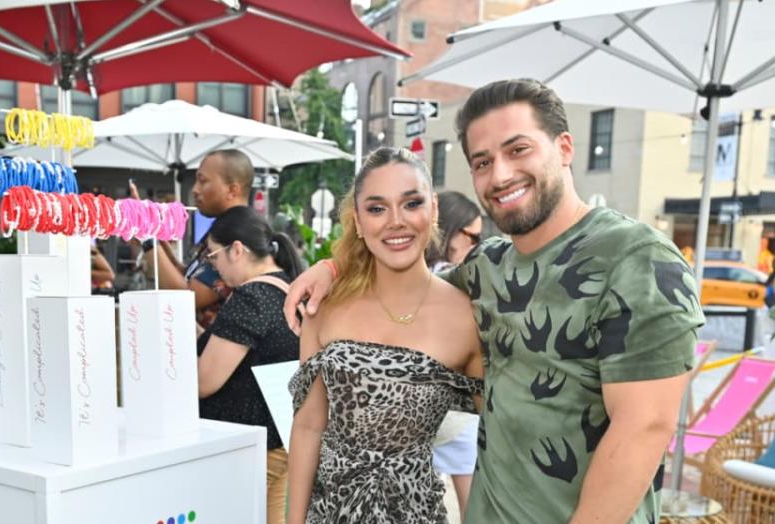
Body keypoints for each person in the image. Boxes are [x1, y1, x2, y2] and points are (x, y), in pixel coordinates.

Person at [285, 79, 702, 523]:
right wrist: (331, 268)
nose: (500, 175)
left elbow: (645, 428)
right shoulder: (488, 268)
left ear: (564, 147)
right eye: (483, 162)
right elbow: (403, 280)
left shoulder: (638, 260)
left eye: (518, 149)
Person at [287, 147, 484, 524]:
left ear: (434, 209)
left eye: (411, 203)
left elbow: (495, 442)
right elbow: (308, 426)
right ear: (358, 222)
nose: (396, 221)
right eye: (377, 209)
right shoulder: (324, 304)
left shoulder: (467, 317)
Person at [196, 206, 303, 524]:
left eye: (214, 257)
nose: (215, 269)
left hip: (251, 444)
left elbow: (206, 381)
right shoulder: (288, 285)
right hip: (280, 437)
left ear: (237, 250)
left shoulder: (252, 296)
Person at [142, 150, 254, 329]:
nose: (195, 189)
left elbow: (186, 296)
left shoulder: (235, 235)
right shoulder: (223, 227)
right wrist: (155, 236)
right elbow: (189, 276)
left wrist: (145, 236)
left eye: (203, 181)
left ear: (233, 190)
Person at [425, 190, 484, 519]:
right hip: (458, 409)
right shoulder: (463, 280)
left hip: (415, 408)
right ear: (452, 230)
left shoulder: (409, 274)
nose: (477, 244)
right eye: (473, 236)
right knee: (472, 508)